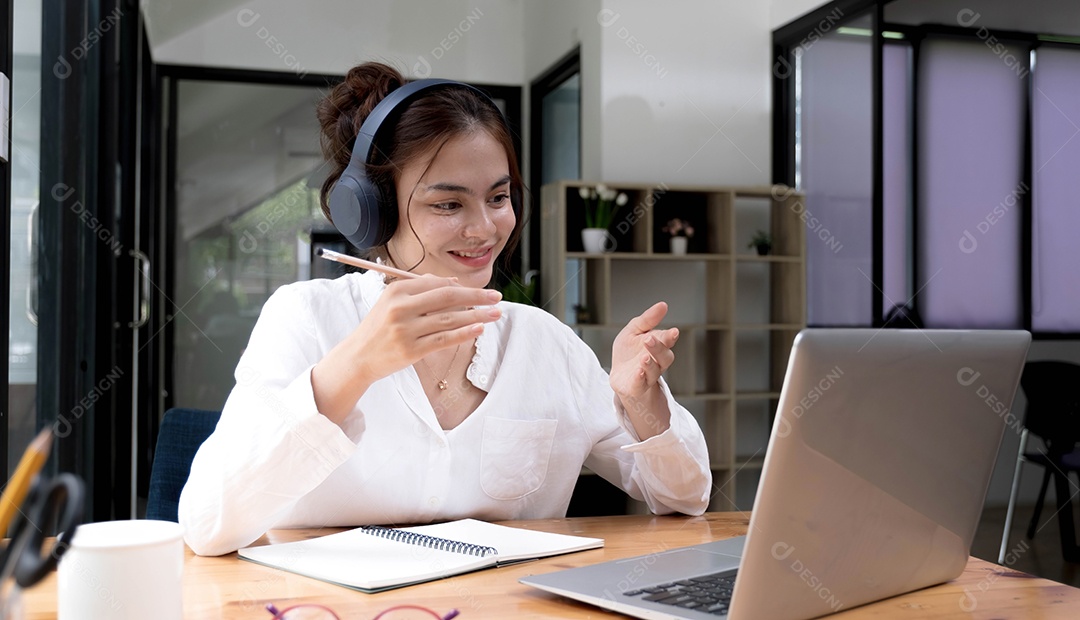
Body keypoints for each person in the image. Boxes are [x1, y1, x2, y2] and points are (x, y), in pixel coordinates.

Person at [178, 62, 712, 556]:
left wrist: (641, 401)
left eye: (498, 198)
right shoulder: (307, 317)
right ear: (373, 211)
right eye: (448, 204)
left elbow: (685, 498)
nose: (484, 228)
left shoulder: (543, 342)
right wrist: (354, 366)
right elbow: (206, 525)